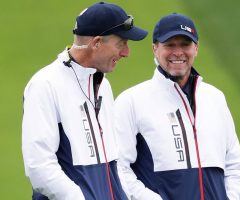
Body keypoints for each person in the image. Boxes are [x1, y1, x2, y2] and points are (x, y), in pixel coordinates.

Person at [22, 2, 147, 200]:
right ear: (97, 43)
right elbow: (39, 167)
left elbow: (112, 163)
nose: (126, 53)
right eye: (121, 43)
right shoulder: (45, 85)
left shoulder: (103, 84)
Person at [114, 13, 240, 200]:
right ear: (155, 48)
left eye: (185, 44)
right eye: (170, 45)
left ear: (196, 48)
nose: (178, 52)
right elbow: (118, 169)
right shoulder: (131, 101)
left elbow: (233, 165)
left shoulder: (215, 98)